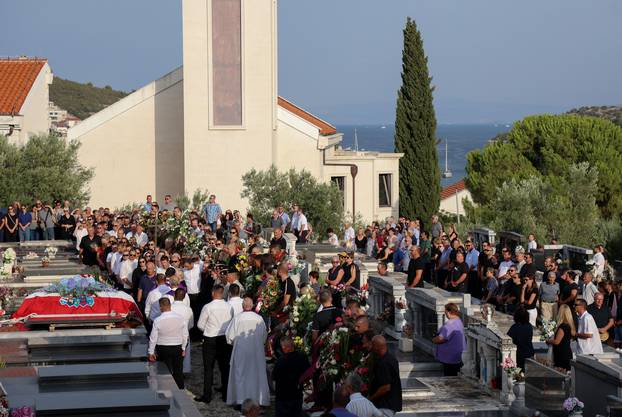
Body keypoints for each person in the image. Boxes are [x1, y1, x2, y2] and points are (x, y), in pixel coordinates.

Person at [225, 297, 270, 406]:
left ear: (242, 306)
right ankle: (259, 399)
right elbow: (264, 336)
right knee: (256, 374)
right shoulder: (259, 319)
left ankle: (241, 400)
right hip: (256, 351)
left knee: (241, 374)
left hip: (241, 351)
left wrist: (235, 343)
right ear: (252, 306)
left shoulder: (237, 319)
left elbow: (229, 336)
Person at [195, 285, 234, 403]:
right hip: (224, 339)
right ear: (222, 293)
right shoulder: (229, 306)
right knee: (225, 367)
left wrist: (209, 329)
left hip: (210, 338)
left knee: (208, 368)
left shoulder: (208, 307)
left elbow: (200, 325)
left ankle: (207, 395)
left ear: (213, 293)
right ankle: (226, 395)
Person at [148, 298, 188, 389]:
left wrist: (151, 352)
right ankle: (180, 393)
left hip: (163, 348)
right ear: (170, 305)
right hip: (177, 347)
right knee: (178, 371)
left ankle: (164, 391)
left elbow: (153, 338)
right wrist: (183, 348)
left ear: (161, 307)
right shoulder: (180, 318)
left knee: (164, 371)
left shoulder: (158, 320)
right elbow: (185, 335)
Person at [273, 336, 310, 417]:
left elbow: (274, 376)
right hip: (297, 394)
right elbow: (307, 372)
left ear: (284, 347)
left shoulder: (281, 361)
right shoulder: (302, 357)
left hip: (283, 398)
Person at [368, 335, 402, 417]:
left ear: (377, 347)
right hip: (391, 403)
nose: (371, 347)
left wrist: (370, 399)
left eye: (373, 345)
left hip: (385, 405)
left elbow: (386, 387)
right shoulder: (392, 358)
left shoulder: (383, 363)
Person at [432, 303, 465, 376]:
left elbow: (441, 338)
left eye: (445, 311)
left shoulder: (450, 324)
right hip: (458, 356)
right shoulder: (458, 320)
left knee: (449, 377)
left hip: (450, 358)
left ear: (448, 312)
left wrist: (433, 339)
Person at [170, 288, 194, 374]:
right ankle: (182, 371)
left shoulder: (170, 307)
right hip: (184, 335)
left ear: (174, 296)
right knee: (184, 355)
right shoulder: (188, 309)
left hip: (171, 335)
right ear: (184, 297)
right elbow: (191, 324)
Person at [545, 304, 575, 371]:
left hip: (562, 354)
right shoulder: (569, 325)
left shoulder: (563, 326)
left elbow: (557, 341)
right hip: (566, 352)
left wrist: (548, 340)